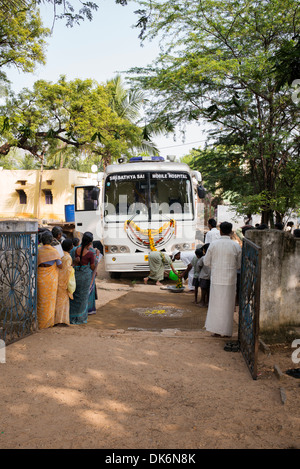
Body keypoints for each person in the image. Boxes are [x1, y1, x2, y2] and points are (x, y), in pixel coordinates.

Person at [203, 221, 242, 337]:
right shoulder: (235, 246)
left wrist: (216, 267)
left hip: (216, 278)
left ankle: (216, 330)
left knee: (215, 305)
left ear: (220, 231)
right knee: (228, 306)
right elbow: (239, 264)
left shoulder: (213, 245)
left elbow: (206, 262)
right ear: (231, 231)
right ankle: (226, 332)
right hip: (230, 280)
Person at [69, 232, 97, 324]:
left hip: (75, 275)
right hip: (85, 277)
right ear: (90, 243)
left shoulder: (74, 250)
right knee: (83, 298)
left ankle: (72, 317)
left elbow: (71, 262)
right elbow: (93, 267)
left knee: (74, 296)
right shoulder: (91, 253)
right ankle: (81, 318)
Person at [37, 231, 62, 329]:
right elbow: (60, 265)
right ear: (51, 240)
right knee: (50, 300)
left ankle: (40, 322)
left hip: (40, 277)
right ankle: (48, 323)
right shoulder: (54, 251)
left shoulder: (38, 250)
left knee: (40, 300)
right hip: (50, 280)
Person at [54, 238, 74, 326]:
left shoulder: (59, 254)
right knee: (63, 302)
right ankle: (61, 320)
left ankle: (55, 320)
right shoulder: (68, 257)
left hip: (57, 279)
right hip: (64, 282)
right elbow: (67, 270)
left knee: (57, 301)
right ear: (70, 247)